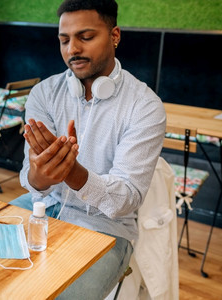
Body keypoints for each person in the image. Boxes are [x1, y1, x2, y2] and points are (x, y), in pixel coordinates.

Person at [10, 0, 166, 298]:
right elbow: (31, 179)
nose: (72, 49)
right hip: (43, 208)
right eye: (64, 40)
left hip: (108, 227)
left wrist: (73, 173)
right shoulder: (44, 93)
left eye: (85, 37)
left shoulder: (145, 106)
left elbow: (127, 199)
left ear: (115, 36)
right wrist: (41, 176)